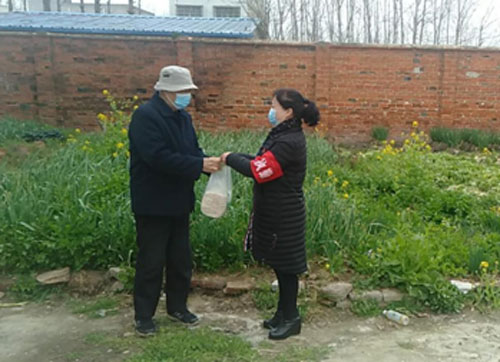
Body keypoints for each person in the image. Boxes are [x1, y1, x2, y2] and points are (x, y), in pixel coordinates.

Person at [128, 65, 221, 337]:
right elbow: (158, 157)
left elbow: (192, 150)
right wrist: (198, 164)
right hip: (153, 202)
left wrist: (207, 164)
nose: (187, 97)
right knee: (152, 261)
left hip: (179, 201)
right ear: (166, 91)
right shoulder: (146, 117)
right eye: (182, 92)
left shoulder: (182, 117)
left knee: (180, 259)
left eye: (188, 92)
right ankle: (144, 316)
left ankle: (177, 307)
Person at [221, 88, 320, 340]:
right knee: (279, 265)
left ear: (288, 112)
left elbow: (259, 171)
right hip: (275, 211)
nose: (270, 111)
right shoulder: (282, 134)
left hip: (285, 214)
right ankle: (282, 313)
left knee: (287, 269)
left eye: (274, 106)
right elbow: (259, 160)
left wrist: (230, 158)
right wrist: (230, 157)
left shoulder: (289, 141)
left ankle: (291, 319)